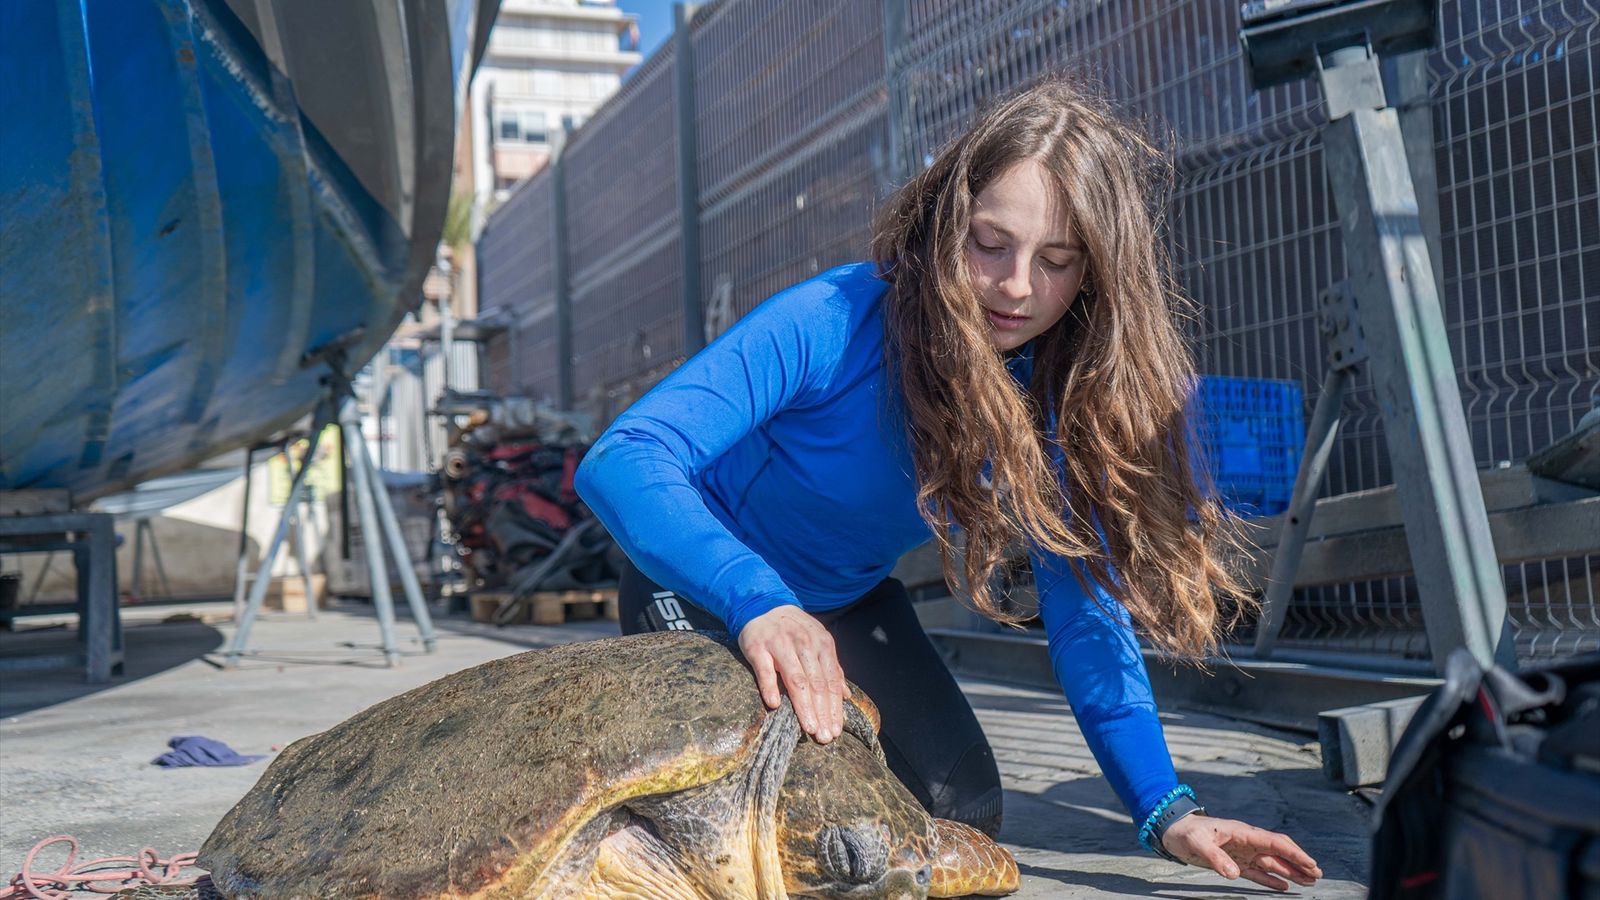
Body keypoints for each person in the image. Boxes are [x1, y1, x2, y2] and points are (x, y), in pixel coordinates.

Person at [575, 75, 1323, 891]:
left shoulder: (1050, 396)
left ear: (1095, 277)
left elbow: (1084, 611)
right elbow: (625, 455)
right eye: (990, 243)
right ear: (943, 224)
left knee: (956, 807)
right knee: (765, 807)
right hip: (702, 587)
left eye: (1056, 262)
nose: (1015, 286)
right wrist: (758, 599)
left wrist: (1167, 812)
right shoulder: (834, 319)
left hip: (844, 602)